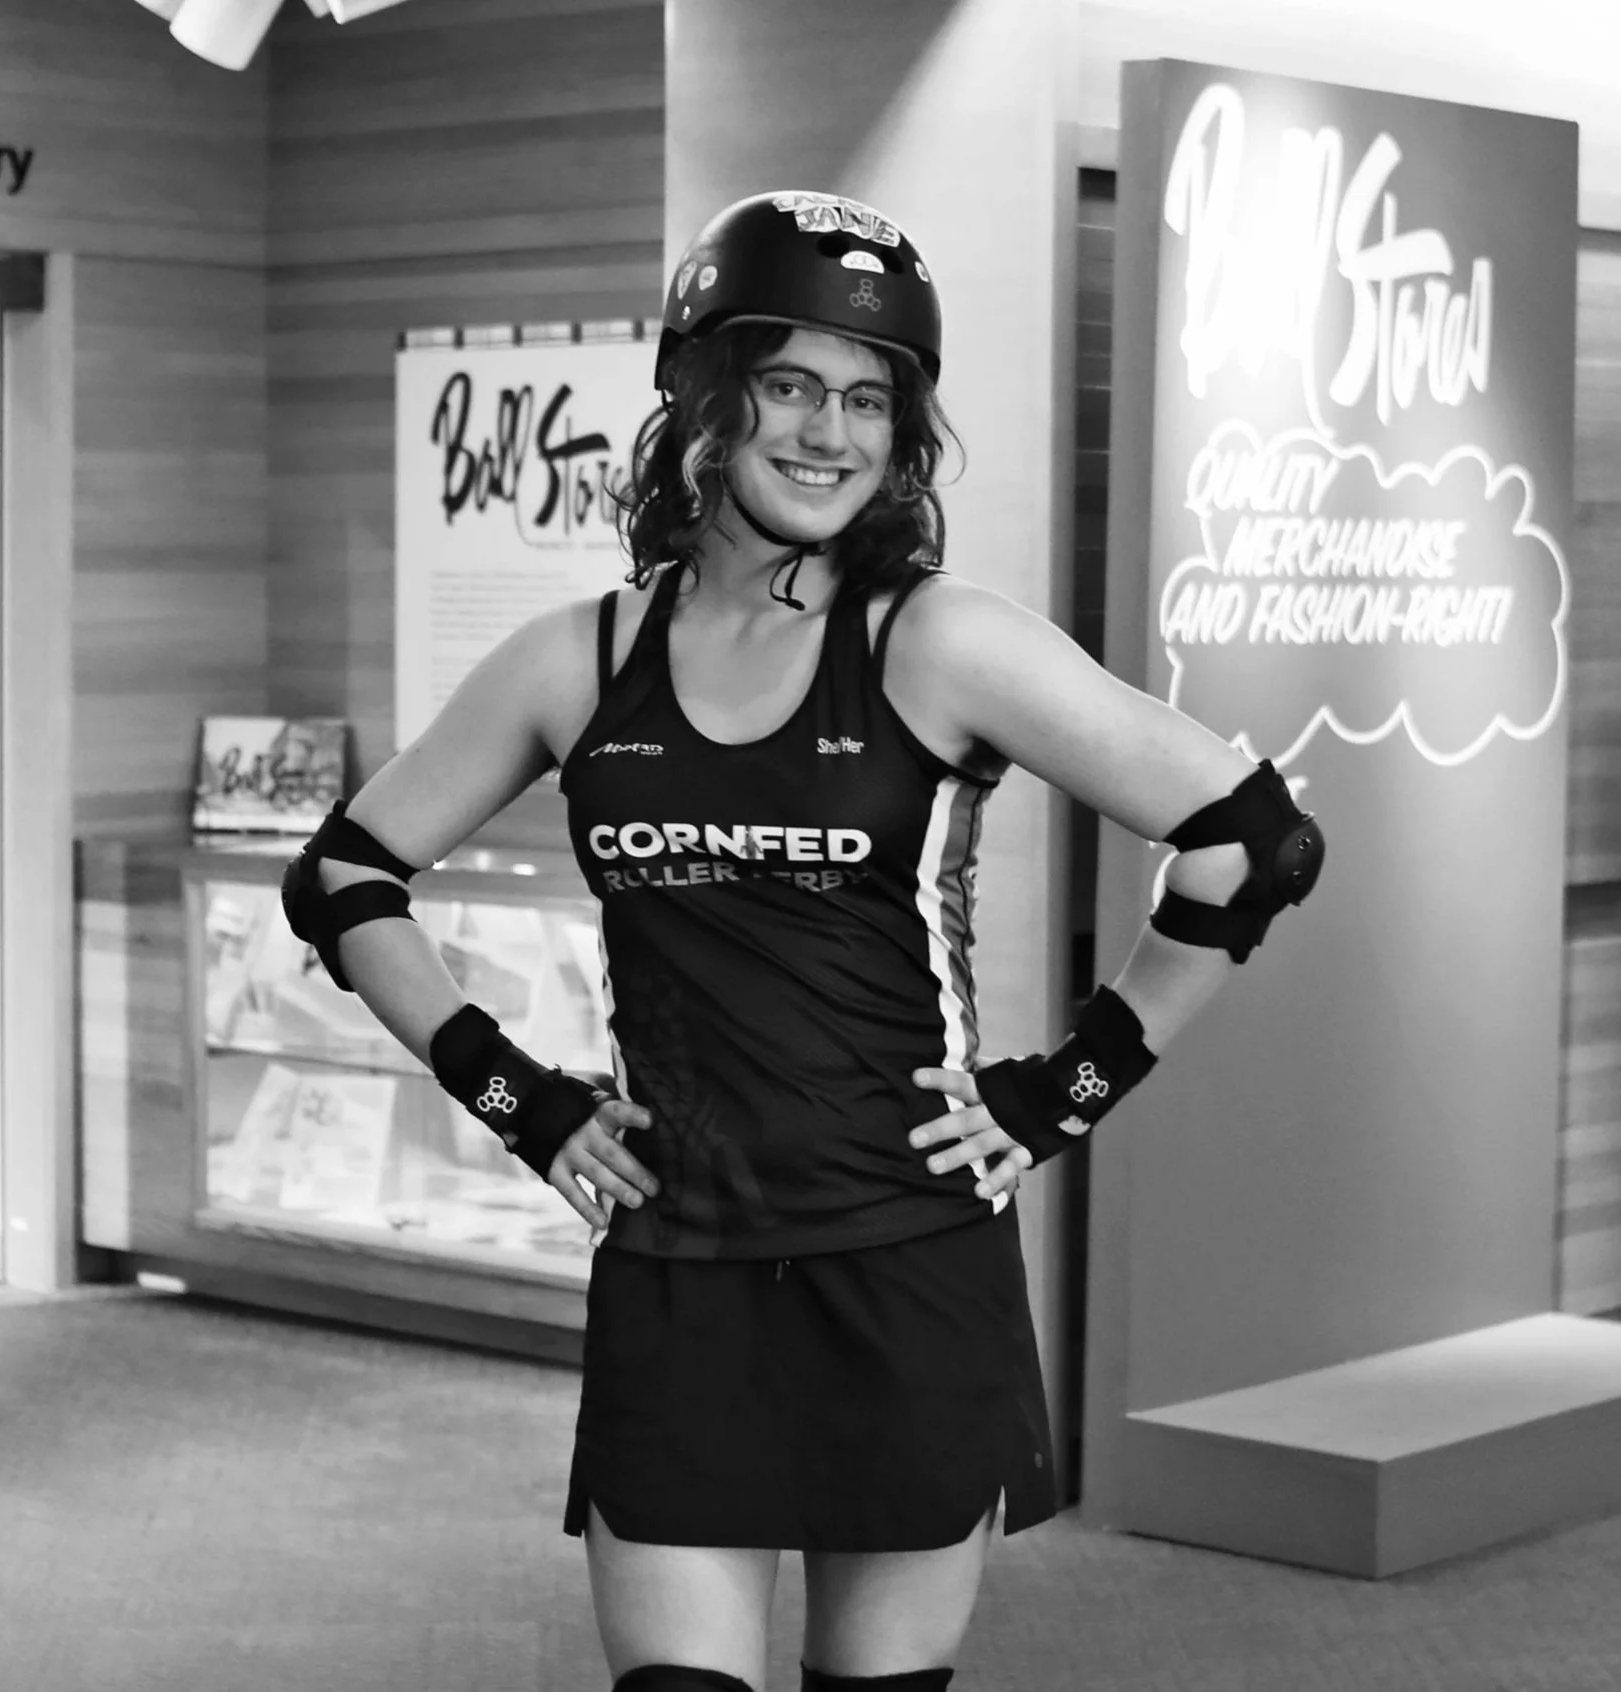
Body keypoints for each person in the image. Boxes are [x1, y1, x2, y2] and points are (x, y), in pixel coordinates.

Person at [279, 190, 1325, 1692]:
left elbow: (1254, 843)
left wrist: (1058, 1094)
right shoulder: (579, 661)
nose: (830, 432)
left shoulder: (939, 641)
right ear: (706, 395)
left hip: (907, 1266)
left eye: (870, 398)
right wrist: (526, 1105)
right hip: (679, 1268)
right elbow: (346, 878)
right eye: (790, 383)